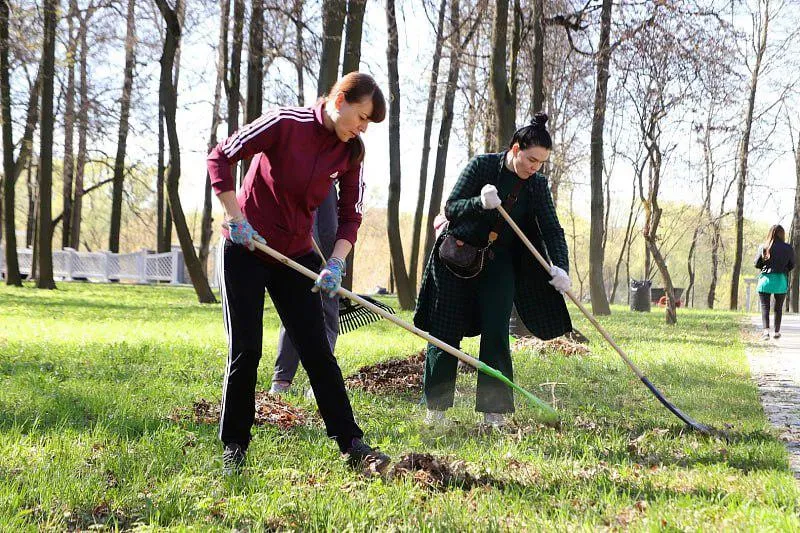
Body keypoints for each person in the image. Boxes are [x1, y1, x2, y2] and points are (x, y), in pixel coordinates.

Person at [207, 72, 389, 474]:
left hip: (295, 253)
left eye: (367, 124)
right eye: (360, 117)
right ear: (340, 100)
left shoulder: (350, 152)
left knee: (318, 352)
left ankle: (352, 442)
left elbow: (350, 217)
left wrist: (336, 262)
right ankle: (234, 447)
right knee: (247, 350)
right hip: (246, 246)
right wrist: (235, 217)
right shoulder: (284, 123)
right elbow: (220, 156)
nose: (362, 128)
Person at [413, 112, 573, 428]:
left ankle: (494, 413)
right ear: (515, 149)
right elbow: (451, 207)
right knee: (444, 332)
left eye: (540, 163)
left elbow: (552, 230)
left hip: (500, 264)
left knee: (497, 335)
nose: (534, 167)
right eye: (530, 159)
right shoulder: (482, 166)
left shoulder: (537, 186)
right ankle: (436, 410)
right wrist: (479, 203)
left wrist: (561, 267)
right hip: (457, 258)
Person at [269, 184, 340, 396]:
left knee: (327, 304)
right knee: (293, 303)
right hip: (295, 198)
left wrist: (336, 262)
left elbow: (353, 208)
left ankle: (320, 382)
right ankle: (281, 380)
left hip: (329, 210)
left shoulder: (346, 161)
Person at [754, 224, 795, 340]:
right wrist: (784, 269)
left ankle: (766, 332)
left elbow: (757, 264)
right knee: (778, 307)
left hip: (765, 280)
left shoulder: (764, 247)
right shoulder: (788, 248)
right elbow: (792, 265)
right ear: (782, 234)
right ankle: (776, 332)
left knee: (765, 307)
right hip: (780, 280)